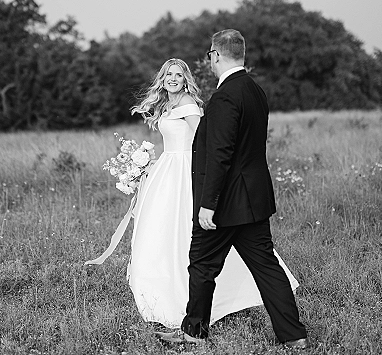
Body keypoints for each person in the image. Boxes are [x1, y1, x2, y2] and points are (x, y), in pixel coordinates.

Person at [155, 30, 308, 348]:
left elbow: (221, 154)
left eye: (210, 56)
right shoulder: (255, 91)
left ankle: (192, 334)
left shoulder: (226, 96)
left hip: (224, 203)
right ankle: (295, 336)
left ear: (216, 56)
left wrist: (208, 204)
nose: (209, 61)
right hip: (254, 199)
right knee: (266, 266)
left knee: (201, 264)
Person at [126, 58, 300, 329]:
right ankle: (169, 290)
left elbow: (204, 143)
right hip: (167, 170)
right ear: (162, 78)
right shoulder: (167, 105)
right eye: (169, 74)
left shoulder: (188, 106)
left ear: (186, 80)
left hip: (188, 172)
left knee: (194, 240)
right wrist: (147, 164)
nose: (173, 78)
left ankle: (195, 311)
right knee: (161, 230)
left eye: (179, 75)